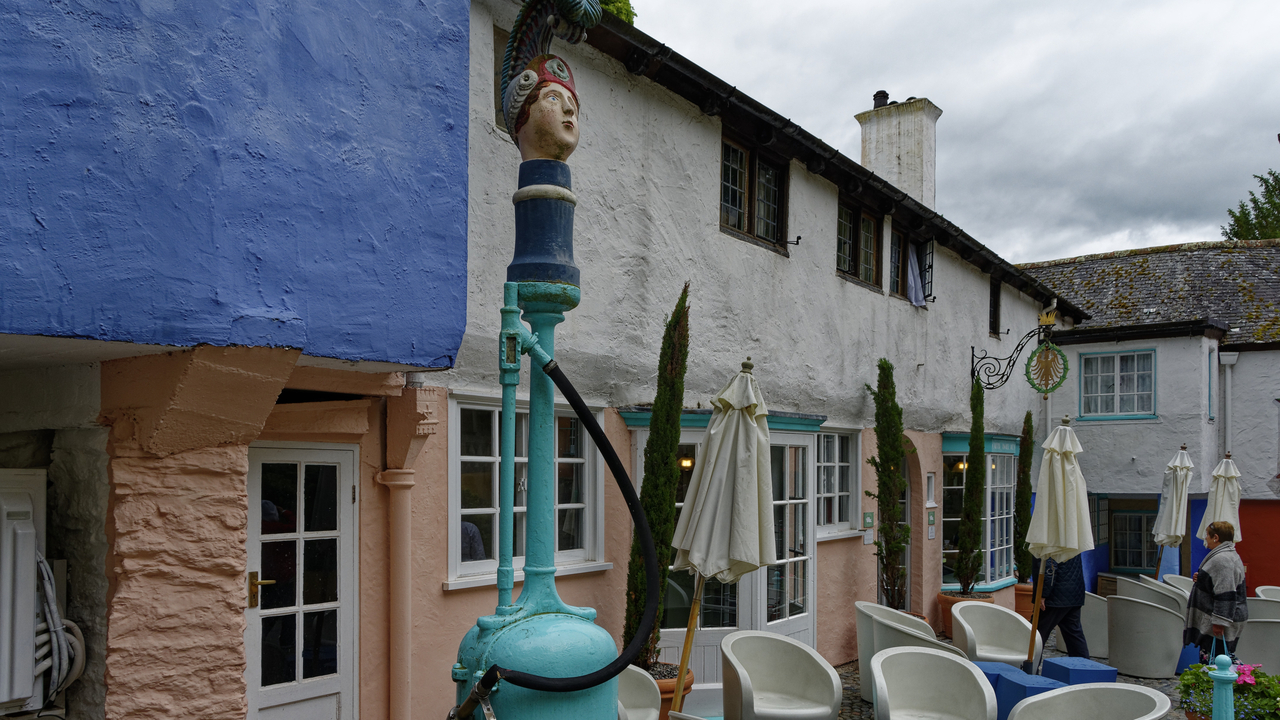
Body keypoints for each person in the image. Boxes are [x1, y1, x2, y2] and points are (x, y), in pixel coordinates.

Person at [1185, 520, 1248, 663]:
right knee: (1222, 656)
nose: (1205, 538)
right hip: (1228, 616)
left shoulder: (1222, 559)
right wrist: (1201, 578)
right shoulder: (1228, 554)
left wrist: (1220, 621)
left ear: (1216, 537)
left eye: (1207, 535)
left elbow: (1225, 591)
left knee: (1219, 659)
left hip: (1222, 619)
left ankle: (1235, 680)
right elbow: (1219, 580)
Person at [1032, 554, 1089, 657]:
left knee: (1036, 636)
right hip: (1074, 591)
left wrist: (1043, 594)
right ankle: (1085, 671)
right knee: (1074, 636)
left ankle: (1029, 670)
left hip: (1055, 594)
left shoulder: (1049, 538)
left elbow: (1047, 566)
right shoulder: (1071, 537)